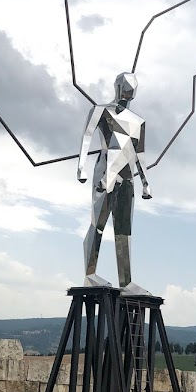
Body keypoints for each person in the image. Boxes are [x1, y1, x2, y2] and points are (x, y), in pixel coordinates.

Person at [77, 72, 151, 292]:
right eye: (126, 89)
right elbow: (87, 137)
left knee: (124, 229)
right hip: (106, 172)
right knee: (97, 223)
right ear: (118, 87)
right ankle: (90, 274)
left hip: (127, 177)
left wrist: (146, 183)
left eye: (131, 90)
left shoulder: (138, 122)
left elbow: (141, 154)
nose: (128, 94)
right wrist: (81, 167)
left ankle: (126, 282)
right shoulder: (101, 110)